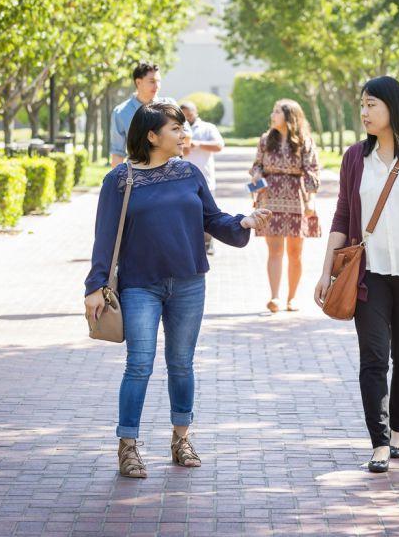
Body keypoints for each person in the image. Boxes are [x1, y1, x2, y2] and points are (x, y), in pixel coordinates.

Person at [84, 102, 271, 478]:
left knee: (181, 363)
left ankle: (181, 438)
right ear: (152, 136)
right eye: (176, 129)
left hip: (188, 282)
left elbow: (212, 218)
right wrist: (95, 285)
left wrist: (244, 221)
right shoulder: (120, 180)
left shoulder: (189, 172)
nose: (184, 135)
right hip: (140, 285)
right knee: (139, 364)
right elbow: (104, 237)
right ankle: (128, 446)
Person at [314, 76, 399, 473]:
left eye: (372, 104)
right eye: (362, 104)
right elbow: (342, 214)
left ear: (393, 106)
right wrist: (326, 272)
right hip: (369, 275)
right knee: (373, 359)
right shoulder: (355, 158)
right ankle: (378, 444)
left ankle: (398, 432)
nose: (364, 112)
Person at [250, 99, 321, 313]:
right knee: (274, 250)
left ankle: (292, 298)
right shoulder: (264, 140)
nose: (272, 116)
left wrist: (311, 200)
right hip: (270, 198)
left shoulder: (304, 141)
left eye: (277, 112)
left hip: (296, 200)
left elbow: (312, 171)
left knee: (295, 252)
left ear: (290, 117)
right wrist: (256, 175)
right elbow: (257, 165)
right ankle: (275, 297)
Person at [109, 61, 191, 168]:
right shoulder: (121, 112)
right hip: (139, 175)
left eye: (159, 81)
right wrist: (118, 181)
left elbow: (188, 138)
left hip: (171, 171)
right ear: (138, 82)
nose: (157, 86)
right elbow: (117, 154)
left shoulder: (170, 105)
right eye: (152, 81)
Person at [180, 101, 225, 256]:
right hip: (183, 179)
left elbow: (219, 145)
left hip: (205, 178)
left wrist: (198, 144)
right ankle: (191, 243)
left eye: (189, 114)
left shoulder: (208, 128)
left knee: (207, 212)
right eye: (184, 114)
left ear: (196, 112)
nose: (187, 117)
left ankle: (208, 242)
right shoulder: (178, 128)